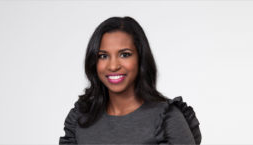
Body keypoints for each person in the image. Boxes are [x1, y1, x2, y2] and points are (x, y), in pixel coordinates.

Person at [59, 16, 201, 145]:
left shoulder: (166, 118)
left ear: (141, 58)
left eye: (125, 54)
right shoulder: (80, 118)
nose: (113, 66)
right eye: (103, 56)